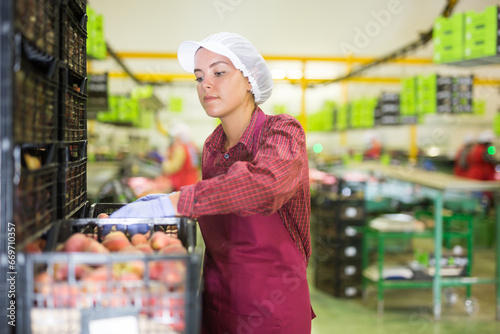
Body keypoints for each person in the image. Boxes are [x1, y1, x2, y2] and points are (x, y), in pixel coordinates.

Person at [110, 32, 315, 333]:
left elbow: (265, 186)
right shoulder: (212, 146)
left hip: (272, 309)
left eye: (219, 72)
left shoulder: (283, 132)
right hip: (217, 301)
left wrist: (175, 202)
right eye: (198, 77)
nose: (205, 84)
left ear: (250, 79)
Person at [162, 122, 200, 191]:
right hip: (192, 183)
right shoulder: (192, 146)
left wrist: (165, 161)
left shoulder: (180, 150)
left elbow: (172, 168)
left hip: (183, 186)